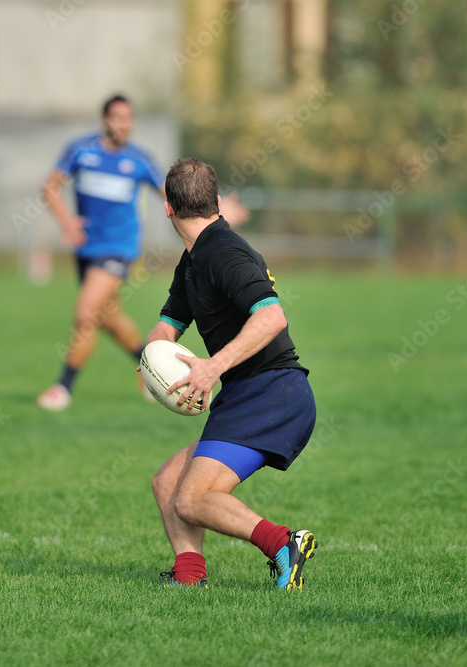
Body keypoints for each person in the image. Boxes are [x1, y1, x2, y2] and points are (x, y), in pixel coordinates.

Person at [145, 158, 317, 590]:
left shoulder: (223, 251)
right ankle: (188, 577)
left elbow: (272, 317)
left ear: (167, 207)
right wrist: (151, 363)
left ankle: (283, 543)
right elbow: (167, 327)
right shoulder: (192, 261)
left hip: (273, 392)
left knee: (193, 497)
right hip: (249, 393)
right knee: (168, 481)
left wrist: (212, 366)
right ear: (217, 201)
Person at [37, 95, 248, 411]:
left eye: (129, 118)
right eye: (117, 118)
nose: (124, 125)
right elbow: (50, 187)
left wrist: (217, 208)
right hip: (86, 249)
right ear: (104, 120)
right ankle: (151, 365)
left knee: (84, 316)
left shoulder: (138, 160)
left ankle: (62, 388)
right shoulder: (81, 151)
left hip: (119, 249)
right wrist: (67, 222)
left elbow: (177, 192)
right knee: (105, 318)